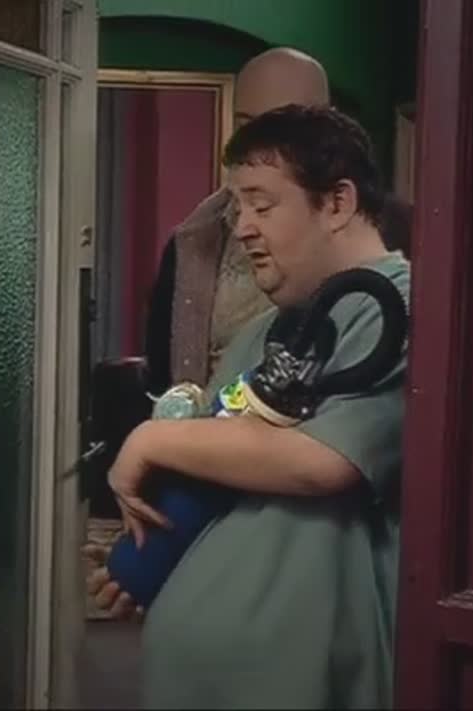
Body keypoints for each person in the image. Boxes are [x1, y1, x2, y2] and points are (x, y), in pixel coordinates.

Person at [98, 105, 409, 708]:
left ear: (337, 202)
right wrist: (154, 556)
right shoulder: (266, 331)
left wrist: (150, 441)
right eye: (239, 208)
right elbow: (218, 466)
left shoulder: (393, 310)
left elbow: (324, 463)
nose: (242, 228)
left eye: (262, 206)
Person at [143, 47, 331, 396]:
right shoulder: (195, 241)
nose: (258, 146)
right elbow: (161, 377)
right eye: (247, 125)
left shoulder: (382, 238)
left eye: (278, 127)